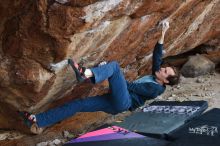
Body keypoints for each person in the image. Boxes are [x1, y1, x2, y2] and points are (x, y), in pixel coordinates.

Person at [20, 20, 180, 134]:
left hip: (124, 102)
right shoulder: (156, 76)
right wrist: (163, 32)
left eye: (166, 72)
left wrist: (107, 72)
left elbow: (129, 87)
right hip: (114, 102)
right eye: (165, 68)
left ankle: (87, 74)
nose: (163, 69)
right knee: (79, 104)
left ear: (165, 81)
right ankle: (37, 120)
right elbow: (157, 57)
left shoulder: (155, 89)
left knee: (115, 67)